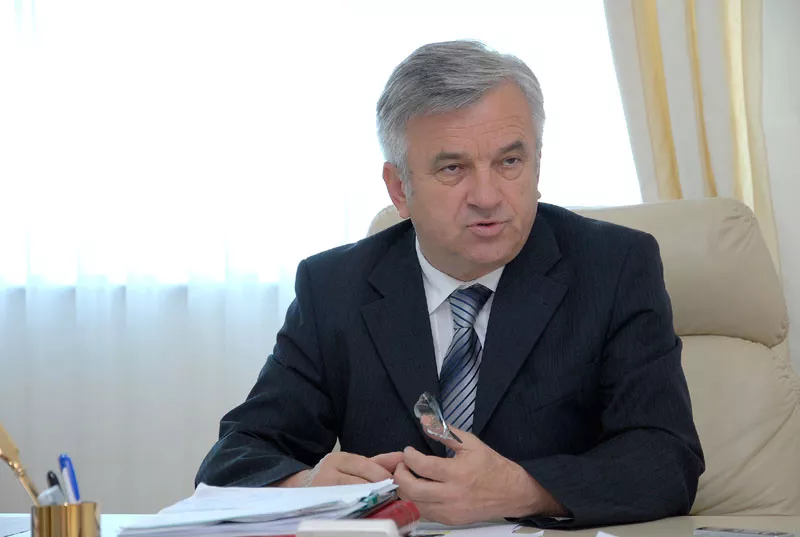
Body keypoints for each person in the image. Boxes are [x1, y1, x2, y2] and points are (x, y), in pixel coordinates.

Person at [195, 40, 705, 528]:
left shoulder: (613, 268)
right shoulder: (334, 288)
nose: (487, 196)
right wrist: (305, 486)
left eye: (510, 162)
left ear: (537, 163)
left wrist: (525, 489)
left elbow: (667, 458)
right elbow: (234, 458)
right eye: (453, 167)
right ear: (400, 189)